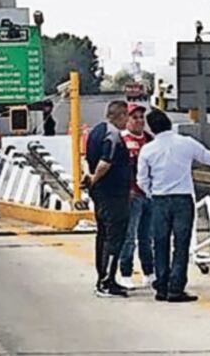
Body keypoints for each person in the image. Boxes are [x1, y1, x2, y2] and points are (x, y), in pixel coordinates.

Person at [137, 109, 210, 303]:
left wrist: (152, 193)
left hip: (159, 199)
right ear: (168, 123)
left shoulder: (147, 150)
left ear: (152, 128)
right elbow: (209, 157)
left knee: (160, 243)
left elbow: (141, 180)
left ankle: (161, 286)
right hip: (183, 199)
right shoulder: (186, 143)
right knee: (181, 244)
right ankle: (176, 288)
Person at [84, 100, 131, 298]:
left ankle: (102, 277)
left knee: (102, 236)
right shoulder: (112, 135)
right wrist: (95, 178)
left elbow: (87, 158)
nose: (128, 120)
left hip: (101, 194)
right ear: (119, 116)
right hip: (112, 194)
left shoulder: (96, 131)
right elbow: (105, 162)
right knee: (115, 237)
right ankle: (107, 282)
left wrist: (90, 179)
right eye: (126, 116)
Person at [118, 103, 154, 290]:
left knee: (147, 237)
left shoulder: (149, 140)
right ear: (127, 119)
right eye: (135, 117)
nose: (139, 121)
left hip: (149, 195)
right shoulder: (121, 140)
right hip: (132, 196)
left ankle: (149, 272)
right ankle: (125, 273)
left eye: (141, 117)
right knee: (129, 237)